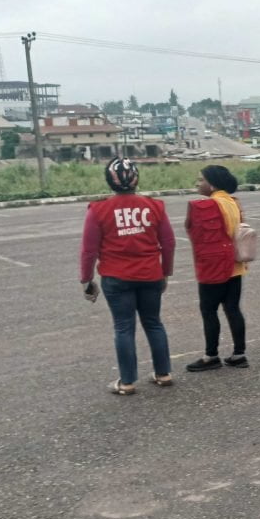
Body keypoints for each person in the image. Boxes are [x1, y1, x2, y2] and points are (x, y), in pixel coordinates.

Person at [79, 158, 175, 394]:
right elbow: (169, 243)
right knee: (153, 323)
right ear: (136, 179)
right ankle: (163, 374)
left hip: (116, 276)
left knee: (123, 328)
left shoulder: (98, 209)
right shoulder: (154, 206)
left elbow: (89, 249)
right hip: (150, 274)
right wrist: (166, 273)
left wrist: (86, 279)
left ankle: (127, 381)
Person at [185, 165, 249, 371]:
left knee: (209, 310)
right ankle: (239, 354)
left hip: (214, 266)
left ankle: (211, 356)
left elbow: (197, 235)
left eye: (201, 180)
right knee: (232, 309)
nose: (197, 183)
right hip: (235, 265)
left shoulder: (210, 205)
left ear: (211, 184)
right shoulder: (233, 202)